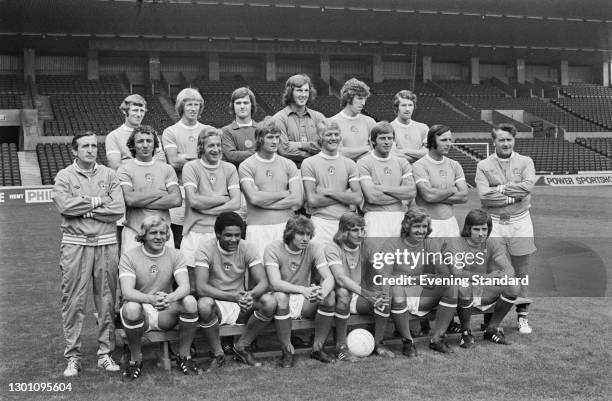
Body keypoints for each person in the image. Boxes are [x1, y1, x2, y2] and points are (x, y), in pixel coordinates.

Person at [52, 131, 125, 377]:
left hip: (105, 243)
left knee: (106, 300)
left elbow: (117, 208)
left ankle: (105, 353)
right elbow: (64, 206)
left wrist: (85, 207)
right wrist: (98, 202)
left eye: (94, 145)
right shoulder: (64, 175)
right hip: (75, 244)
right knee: (73, 301)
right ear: (75, 150)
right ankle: (73, 356)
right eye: (85, 146)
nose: (91, 150)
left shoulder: (109, 174)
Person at [118, 216, 199, 380]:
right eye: (153, 233)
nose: (159, 237)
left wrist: (170, 298)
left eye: (163, 233)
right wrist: (151, 299)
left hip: (164, 310)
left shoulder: (175, 254)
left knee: (190, 302)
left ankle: (184, 357)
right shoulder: (129, 256)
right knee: (131, 307)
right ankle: (135, 359)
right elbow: (127, 292)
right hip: (141, 310)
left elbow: (185, 286)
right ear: (143, 235)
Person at [195, 212, 277, 370]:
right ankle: (217, 353)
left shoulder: (247, 247)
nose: (233, 239)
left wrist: (249, 295)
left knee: (269, 301)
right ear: (217, 234)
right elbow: (201, 287)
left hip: (241, 303)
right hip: (217, 303)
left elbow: (263, 282)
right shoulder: (205, 249)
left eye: (237, 235)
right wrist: (233, 297)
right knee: (204, 304)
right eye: (228, 235)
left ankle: (242, 347)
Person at [475, 123, 536, 334]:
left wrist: (499, 189)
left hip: (521, 222)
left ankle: (523, 317)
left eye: (509, 139)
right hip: (494, 223)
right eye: (501, 140)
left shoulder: (525, 161)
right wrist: (513, 195)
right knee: (494, 271)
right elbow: (484, 196)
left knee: (521, 273)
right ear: (494, 142)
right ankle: (490, 321)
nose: (506, 143)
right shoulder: (483, 165)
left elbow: (528, 187)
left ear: (514, 140)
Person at [382, 207, 460, 354]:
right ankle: (408, 342)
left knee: (451, 286)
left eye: (424, 226)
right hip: (398, 293)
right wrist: (417, 279)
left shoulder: (430, 243)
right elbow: (386, 278)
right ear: (407, 226)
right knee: (397, 290)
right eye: (417, 226)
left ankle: (437, 339)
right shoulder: (391, 244)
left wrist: (437, 277)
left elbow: (445, 274)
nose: (421, 231)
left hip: (421, 293)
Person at [438, 209, 520, 347]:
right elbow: (456, 273)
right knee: (463, 286)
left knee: (514, 285)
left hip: (479, 287)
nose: (481, 233)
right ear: (468, 228)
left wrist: (505, 277)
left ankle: (492, 329)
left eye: (484, 229)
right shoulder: (454, 242)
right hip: (452, 291)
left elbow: (508, 267)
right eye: (477, 229)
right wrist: (487, 278)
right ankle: (466, 332)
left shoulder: (493, 241)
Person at [265, 215, 336, 367]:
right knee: (281, 296)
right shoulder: (273, 248)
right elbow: (275, 283)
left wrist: (322, 292)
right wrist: (302, 289)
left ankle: (317, 348)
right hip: (279, 300)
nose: (305, 238)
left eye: (308, 234)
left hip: (304, 300)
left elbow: (329, 277)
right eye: (301, 234)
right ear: (290, 233)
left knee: (330, 296)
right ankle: (287, 351)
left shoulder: (314, 247)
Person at [326, 212, 394, 360]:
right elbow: (340, 278)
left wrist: (385, 289)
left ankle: (378, 343)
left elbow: (382, 271)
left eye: (362, 230)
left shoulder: (367, 245)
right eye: (355, 230)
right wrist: (367, 293)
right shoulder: (332, 248)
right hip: (340, 298)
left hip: (360, 299)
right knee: (343, 292)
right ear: (344, 231)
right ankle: (341, 347)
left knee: (385, 293)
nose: (360, 234)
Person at [181, 128, 241, 291]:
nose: (216, 149)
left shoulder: (230, 168)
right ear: (201, 147)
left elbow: (236, 203)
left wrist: (206, 209)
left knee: (219, 283)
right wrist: (223, 198)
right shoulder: (191, 167)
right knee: (192, 287)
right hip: (195, 231)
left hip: (220, 234)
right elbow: (193, 201)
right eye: (211, 146)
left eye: (218, 145)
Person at [239, 118, 303, 256]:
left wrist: (265, 203)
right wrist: (284, 194)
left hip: (286, 227)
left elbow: (297, 199)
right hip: (258, 229)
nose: (275, 141)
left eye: (277, 137)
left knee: (286, 275)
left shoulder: (288, 164)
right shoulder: (247, 165)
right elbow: (254, 198)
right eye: (270, 137)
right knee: (259, 275)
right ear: (260, 139)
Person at [117, 125, 182, 252]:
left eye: (149, 141)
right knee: (132, 271)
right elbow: (130, 200)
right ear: (132, 145)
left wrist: (140, 200)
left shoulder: (166, 169)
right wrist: (160, 193)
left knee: (166, 271)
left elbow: (176, 200)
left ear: (155, 144)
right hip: (134, 232)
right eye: (140, 141)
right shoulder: (124, 169)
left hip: (162, 233)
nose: (145, 145)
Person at [162, 88, 212, 248]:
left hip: (205, 191)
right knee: (179, 239)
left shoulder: (208, 130)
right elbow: (174, 162)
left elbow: (214, 161)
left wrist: (185, 157)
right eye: (189, 104)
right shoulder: (170, 131)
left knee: (206, 239)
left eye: (196, 104)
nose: (193, 108)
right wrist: (200, 159)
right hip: (181, 192)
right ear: (181, 107)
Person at [301, 119, 363, 244]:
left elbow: (357, 198)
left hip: (347, 225)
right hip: (320, 224)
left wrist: (328, 192)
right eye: (328, 134)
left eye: (336, 134)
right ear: (320, 137)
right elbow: (312, 200)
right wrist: (345, 195)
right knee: (321, 262)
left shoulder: (350, 164)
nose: (333, 138)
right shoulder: (309, 163)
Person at [357, 121, 416, 237]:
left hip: (400, 217)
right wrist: (400, 194)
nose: (387, 142)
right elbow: (372, 197)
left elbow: (411, 193)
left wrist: (380, 188)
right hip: (374, 218)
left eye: (390, 138)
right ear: (373, 141)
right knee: (376, 255)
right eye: (382, 138)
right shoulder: (364, 162)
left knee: (399, 255)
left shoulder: (402, 162)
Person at [413, 124, 467, 237]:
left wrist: (435, 195)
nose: (448, 144)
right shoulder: (419, 165)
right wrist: (452, 190)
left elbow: (464, 197)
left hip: (451, 223)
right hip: (428, 224)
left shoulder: (455, 165)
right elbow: (428, 196)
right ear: (432, 141)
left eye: (449, 140)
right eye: (443, 140)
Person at [273, 74, 325, 166]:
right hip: (290, 172)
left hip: (317, 171)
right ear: (290, 93)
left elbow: (325, 146)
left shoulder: (319, 117)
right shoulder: (278, 119)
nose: (303, 95)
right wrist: (313, 153)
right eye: (299, 90)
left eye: (306, 91)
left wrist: (299, 145)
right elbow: (284, 150)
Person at [106, 94, 165, 170]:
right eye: (135, 110)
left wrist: (127, 161)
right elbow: (116, 166)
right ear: (124, 111)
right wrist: (147, 162)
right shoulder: (113, 136)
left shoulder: (152, 134)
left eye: (142, 111)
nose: (139, 114)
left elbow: (162, 162)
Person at [330, 78, 375, 161]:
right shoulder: (332, 123)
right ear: (348, 98)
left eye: (365, 99)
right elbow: (338, 153)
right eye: (360, 98)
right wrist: (366, 149)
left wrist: (350, 152)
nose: (363, 103)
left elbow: (376, 152)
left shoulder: (370, 122)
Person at [221, 87, 259, 167]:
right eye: (238, 103)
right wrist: (259, 153)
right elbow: (231, 156)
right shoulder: (226, 131)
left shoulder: (261, 129)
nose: (242, 106)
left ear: (252, 105)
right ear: (233, 106)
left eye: (246, 103)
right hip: (235, 177)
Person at [390, 90, 429, 163]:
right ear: (396, 107)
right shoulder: (389, 128)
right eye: (403, 105)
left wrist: (405, 151)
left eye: (410, 105)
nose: (407, 109)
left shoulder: (423, 128)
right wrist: (418, 157)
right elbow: (393, 155)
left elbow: (428, 153)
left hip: (419, 171)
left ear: (414, 107)